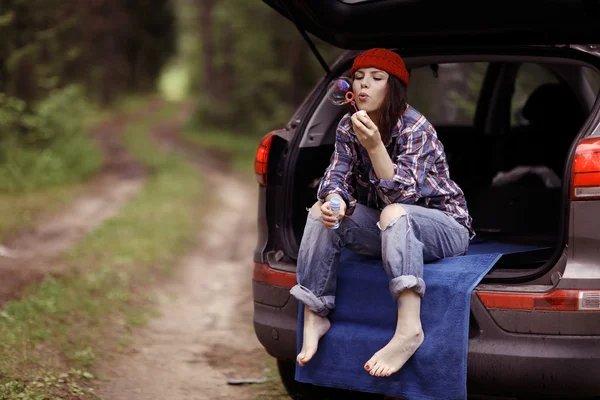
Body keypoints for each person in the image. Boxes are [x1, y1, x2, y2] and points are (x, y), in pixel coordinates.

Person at [289, 48, 474, 378]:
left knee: (394, 212)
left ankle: (408, 330)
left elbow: (401, 196)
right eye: (359, 77)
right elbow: (336, 174)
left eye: (377, 78)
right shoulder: (349, 126)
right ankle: (316, 311)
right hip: (390, 227)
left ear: (395, 88)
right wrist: (336, 200)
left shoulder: (415, 128)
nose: (364, 85)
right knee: (319, 212)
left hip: (445, 227)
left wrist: (374, 146)